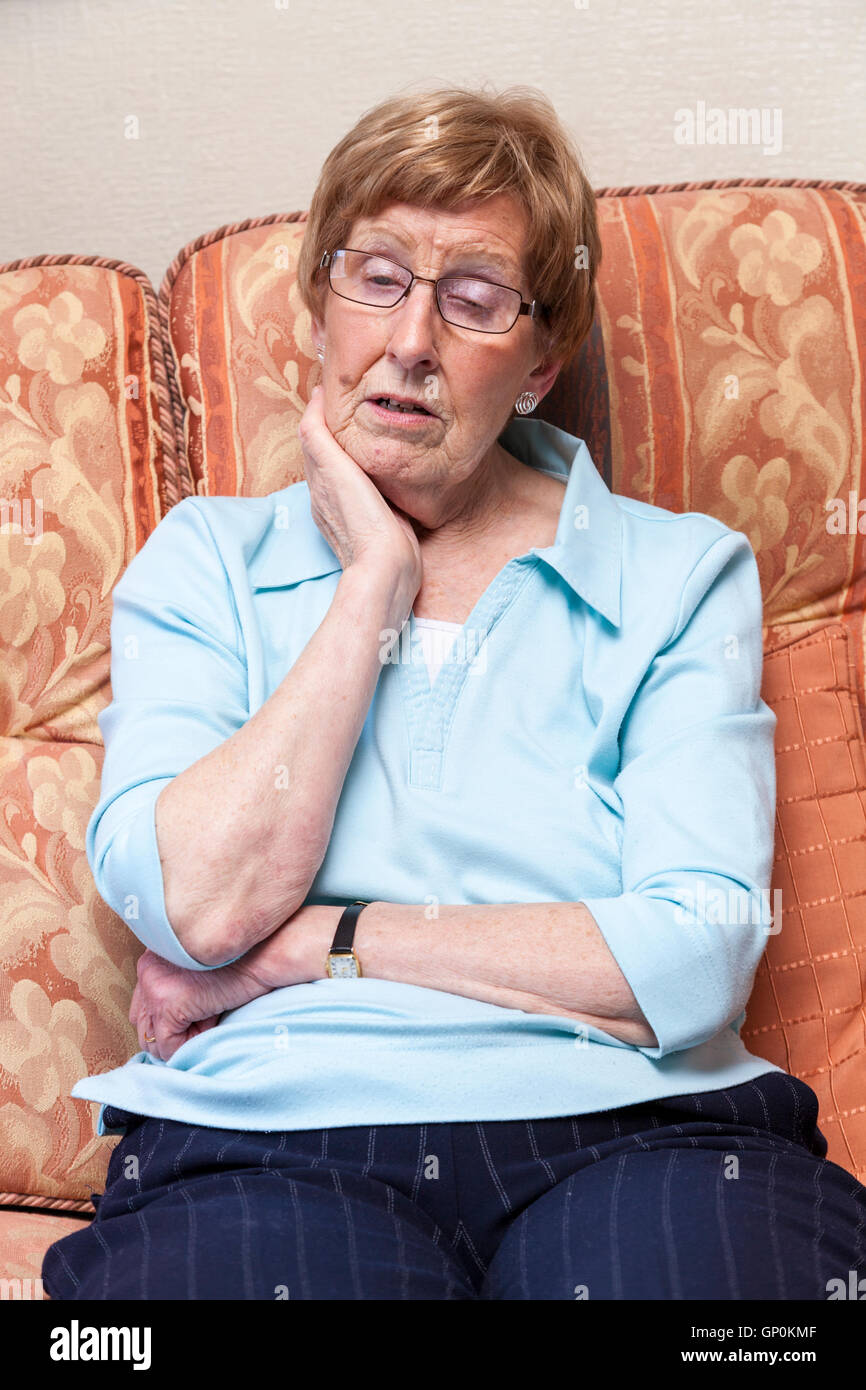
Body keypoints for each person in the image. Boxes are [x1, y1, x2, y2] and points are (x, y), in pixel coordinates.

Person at [43, 84, 866, 1301]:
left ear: (539, 361)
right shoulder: (204, 562)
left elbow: (692, 957)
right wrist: (371, 579)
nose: (413, 339)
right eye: (376, 276)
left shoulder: (677, 573)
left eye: (474, 299)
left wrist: (311, 947)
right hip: (269, 1139)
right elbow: (195, 908)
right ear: (320, 309)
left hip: (644, 1135)